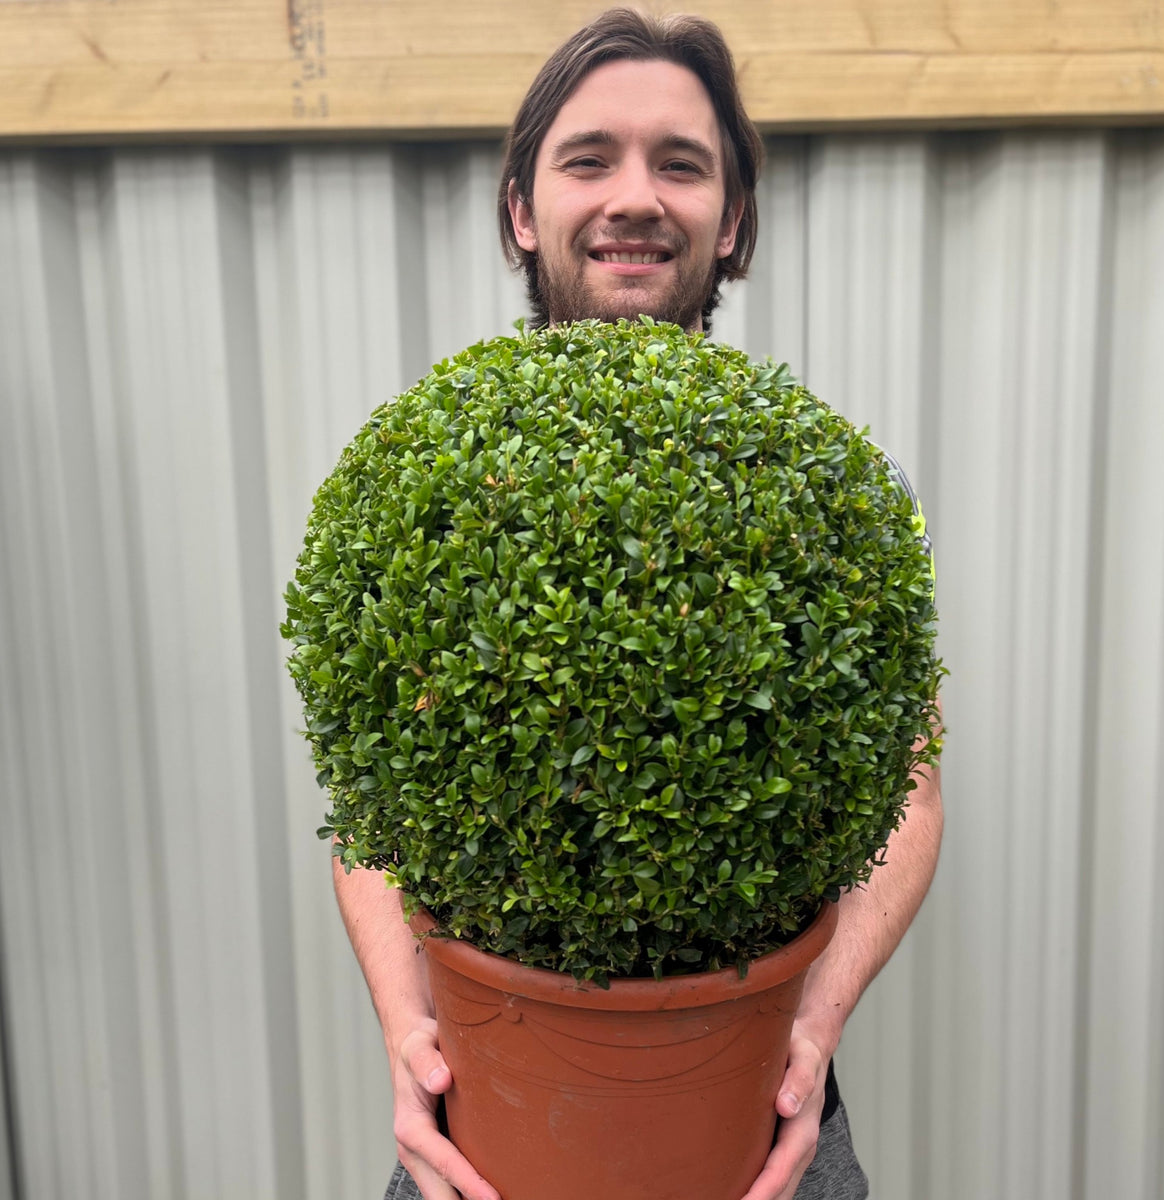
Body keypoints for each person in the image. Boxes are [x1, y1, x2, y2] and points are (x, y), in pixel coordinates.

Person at [336, 10, 944, 1200]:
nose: (635, 197)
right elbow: (373, 807)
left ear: (734, 218)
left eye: (680, 163)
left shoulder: (837, 499)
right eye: (588, 158)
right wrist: (408, 1031)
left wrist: (812, 1026)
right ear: (523, 209)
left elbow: (908, 792)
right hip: (487, 1126)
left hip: (763, 1128)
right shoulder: (426, 491)